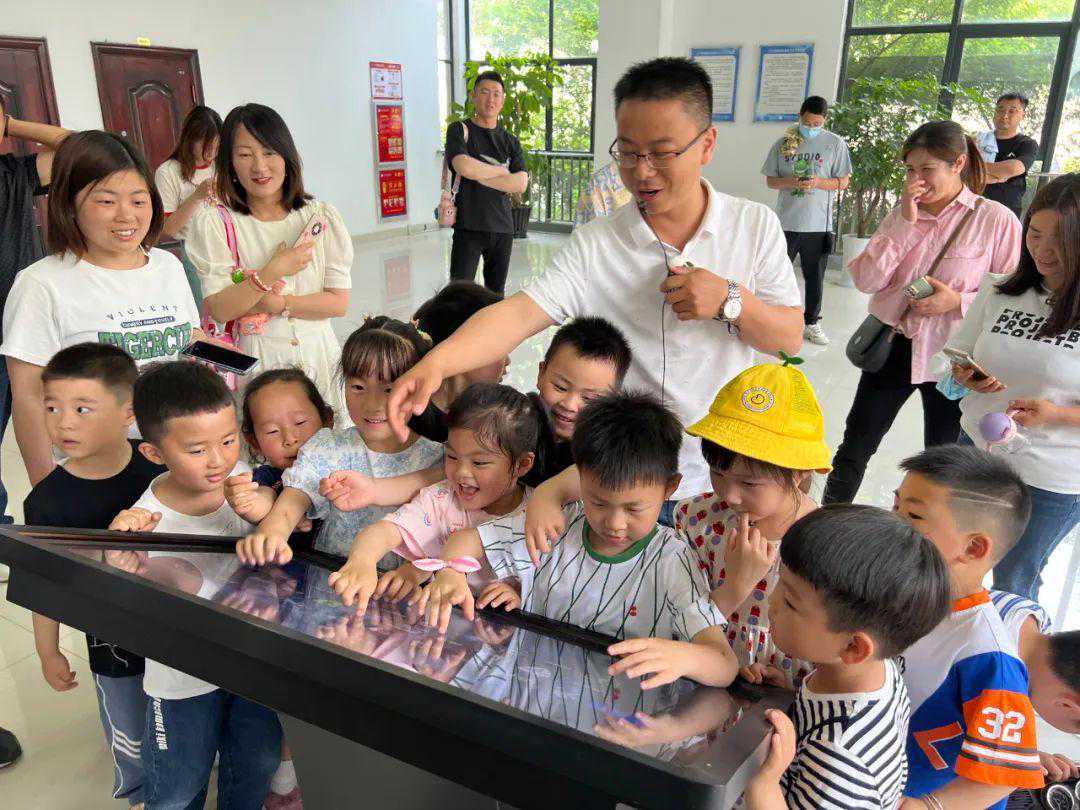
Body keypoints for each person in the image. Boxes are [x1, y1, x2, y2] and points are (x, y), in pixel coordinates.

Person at [389, 57, 804, 505]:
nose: (642, 171)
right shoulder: (597, 243)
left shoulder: (753, 226)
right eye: (628, 152)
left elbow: (788, 338)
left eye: (661, 153)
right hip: (618, 484)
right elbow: (520, 313)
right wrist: (437, 364)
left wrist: (729, 299)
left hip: (720, 479)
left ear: (706, 144)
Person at [418, 391, 739, 692]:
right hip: (533, 704)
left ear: (670, 488)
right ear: (580, 478)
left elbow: (724, 663)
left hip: (620, 720)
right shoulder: (560, 525)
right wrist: (451, 572)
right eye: (598, 502)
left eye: (633, 509)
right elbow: (469, 540)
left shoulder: (672, 560)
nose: (614, 523)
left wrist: (684, 657)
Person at [109, 361, 281, 809]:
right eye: (197, 449)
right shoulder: (146, 521)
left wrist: (268, 511)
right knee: (179, 784)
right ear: (154, 454)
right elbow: (123, 592)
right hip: (183, 678)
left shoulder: (245, 481)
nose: (219, 460)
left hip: (254, 662)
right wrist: (120, 555)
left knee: (257, 763)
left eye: (228, 440)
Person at [823, 120, 1021, 505]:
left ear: (958, 164)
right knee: (855, 445)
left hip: (953, 359)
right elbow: (865, 280)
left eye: (927, 169)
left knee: (945, 461)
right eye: (910, 169)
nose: (916, 180)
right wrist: (904, 223)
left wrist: (957, 301)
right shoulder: (901, 214)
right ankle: (829, 522)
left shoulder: (995, 220)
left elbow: (1009, 297)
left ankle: (931, 533)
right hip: (893, 347)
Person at [2, 131, 202, 487]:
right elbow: (29, 398)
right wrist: (46, 489)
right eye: (107, 201)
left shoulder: (168, 267)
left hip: (179, 462)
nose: (126, 215)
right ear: (69, 204)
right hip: (93, 473)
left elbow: (186, 344)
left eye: (138, 200)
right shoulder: (41, 283)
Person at [744, 505, 951, 810]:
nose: (771, 603)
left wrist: (764, 780)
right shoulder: (879, 670)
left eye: (789, 601)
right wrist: (790, 691)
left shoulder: (840, 757)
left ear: (854, 648)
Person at [25, 343, 162, 808]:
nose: (63, 423)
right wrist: (47, 650)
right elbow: (45, 584)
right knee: (128, 723)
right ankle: (140, 793)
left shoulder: (156, 464)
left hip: (176, 624)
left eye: (82, 409)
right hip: (111, 642)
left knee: (176, 715)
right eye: (52, 408)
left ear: (128, 412)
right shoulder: (47, 502)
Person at [945, 174, 1080, 601]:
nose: (1043, 250)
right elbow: (956, 354)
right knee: (950, 559)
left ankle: (1009, 646)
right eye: (1035, 234)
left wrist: (1057, 415)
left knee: (1015, 581)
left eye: (1060, 240)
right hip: (977, 452)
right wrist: (962, 375)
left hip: (1050, 474)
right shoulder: (999, 289)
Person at [893, 445, 1044, 809]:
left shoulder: (989, 657)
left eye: (912, 515)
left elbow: (1004, 776)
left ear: (974, 547)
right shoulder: (899, 595)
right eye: (895, 507)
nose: (891, 523)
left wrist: (926, 806)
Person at [185, 103, 353, 414]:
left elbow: (338, 302)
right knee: (269, 436)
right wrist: (271, 272)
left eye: (269, 152)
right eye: (245, 155)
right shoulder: (216, 223)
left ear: (287, 155)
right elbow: (220, 308)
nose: (259, 167)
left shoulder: (319, 216)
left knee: (326, 433)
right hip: (258, 362)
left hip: (319, 357)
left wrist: (277, 304)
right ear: (229, 162)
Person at [235, 317, 444, 562]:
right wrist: (272, 534)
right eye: (358, 387)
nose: (372, 404)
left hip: (400, 584)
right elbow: (290, 504)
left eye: (389, 389)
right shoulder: (326, 447)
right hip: (330, 580)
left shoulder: (439, 459)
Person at [674, 359, 830, 687]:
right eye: (718, 473)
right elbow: (678, 612)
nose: (730, 496)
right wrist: (737, 584)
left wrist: (793, 687)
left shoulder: (827, 544)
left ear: (798, 473)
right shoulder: (697, 519)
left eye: (750, 483)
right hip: (701, 671)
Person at [328, 383, 541, 612]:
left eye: (479, 462)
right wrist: (363, 561)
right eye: (452, 456)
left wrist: (519, 594)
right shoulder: (440, 499)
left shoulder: (540, 516)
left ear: (521, 464)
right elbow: (384, 531)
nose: (461, 473)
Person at [0, 100, 71, 527]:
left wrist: (11, 124)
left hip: (25, 331)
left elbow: (77, 148)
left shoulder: (15, 173)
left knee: (50, 429)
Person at [762, 95, 852, 346]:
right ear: (799, 117)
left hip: (818, 224)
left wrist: (818, 182)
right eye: (808, 123)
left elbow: (844, 182)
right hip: (786, 222)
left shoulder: (835, 144)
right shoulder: (783, 143)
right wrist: (791, 181)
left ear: (824, 121)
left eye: (817, 124)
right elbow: (770, 181)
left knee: (815, 277)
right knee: (777, 274)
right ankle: (773, 321)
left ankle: (812, 323)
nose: (812, 128)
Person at [445, 71, 528, 295]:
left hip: (502, 228)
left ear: (502, 100)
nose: (490, 99)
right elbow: (463, 166)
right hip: (468, 225)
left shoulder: (510, 141)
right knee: (458, 294)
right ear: (473, 96)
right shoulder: (459, 130)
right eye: (484, 92)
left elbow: (520, 183)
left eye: (496, 94)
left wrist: (479, 174)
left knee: (495, 295)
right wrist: (501, 172)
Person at [989, 591, 1079, 782]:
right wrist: (1016, 758)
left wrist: (1026, 753)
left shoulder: (1031, 613)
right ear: (1066, 705)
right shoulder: (996, 678)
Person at [155, 105, 223, 312]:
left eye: (216, 147)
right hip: (196, 251)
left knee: (235, 312)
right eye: (206, 146)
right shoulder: (168, 172)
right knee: (208, 315)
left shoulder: (221, 166)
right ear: (190, 139)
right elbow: (167, 230)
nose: (211, 153)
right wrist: (197, 196)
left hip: (227, 245)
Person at [983, 94, 1040, 220]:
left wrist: (974, 168)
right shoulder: (980, 140)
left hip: (1006, 212)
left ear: (1023, 115)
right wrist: (998, 174)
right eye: (1000, 110)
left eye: (1012, 111)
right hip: (974, 206)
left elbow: (1014, 168)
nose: (1005, 115)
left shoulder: (1026, 144)